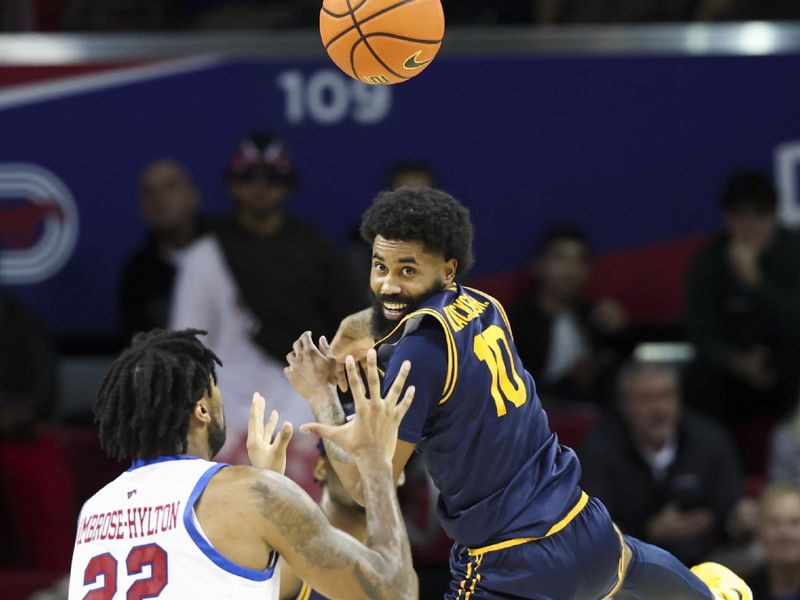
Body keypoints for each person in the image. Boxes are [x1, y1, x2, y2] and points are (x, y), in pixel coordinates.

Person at [286, 187, 752, 599]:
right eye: (379, 266)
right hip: (583, 527)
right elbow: (380, 321)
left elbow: (368, 489)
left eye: (407, 270)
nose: (388, 283)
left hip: (509, 565)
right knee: (632, 565)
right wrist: (348, 340)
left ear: (446, 270)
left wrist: (321, 393)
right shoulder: (482, 304)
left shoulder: (417, 358)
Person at [67, 328, 417, 600]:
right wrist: (374, 460)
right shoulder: (250, 495)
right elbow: (392, 590)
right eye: (215, 389)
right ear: (201, 410)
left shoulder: (94, 511)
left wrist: (264, 486)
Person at [170, 131, 357, 470]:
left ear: (287, 184)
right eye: (248, 178)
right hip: (224, 420)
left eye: (271, 178)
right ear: (231, 184)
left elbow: (347, 338)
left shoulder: (317, 251)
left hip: (302, 415)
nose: (260, 188)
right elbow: (185, 350)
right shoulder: (205, 256)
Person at [577, 359, 750, 565]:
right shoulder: (598, 448)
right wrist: (651, 530)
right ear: (624, 404)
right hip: (630, 562)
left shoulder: (710, 439)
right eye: (646, 398)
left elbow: (731, 503)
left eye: (666, 395)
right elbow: (593, 526)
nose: (659, 408)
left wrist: (732, 520)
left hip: (707, 560)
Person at [685, 170, 800, 427]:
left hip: (787, 369)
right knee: (700, 380)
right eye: (740, 216)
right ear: (726, 218)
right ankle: (716, 464)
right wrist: (738, 362)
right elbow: (701, 333)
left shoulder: (795, 252)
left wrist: (756, 282)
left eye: (759, 215)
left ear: (775, 215)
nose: (750, 227)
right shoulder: (708, 260)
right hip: (732, 370)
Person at [510, 225, 629, 404]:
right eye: (560, 259)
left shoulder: (597, 318)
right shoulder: (515, 325)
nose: (570, 271)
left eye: (579, 261)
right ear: (538, 265)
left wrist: (621, 333)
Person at [119, 159, 203, 338]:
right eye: (150, 193)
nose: (160, 199)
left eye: (171, 187)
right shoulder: (136, 273)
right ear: (142, 207)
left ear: (193, 196)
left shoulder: (226, 255)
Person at [279, 442, 368, 600]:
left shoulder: (396, 565)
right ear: (321, 468)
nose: (365, 470)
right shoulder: (292, 551)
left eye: (377, 460)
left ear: (399, 475)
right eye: (353, 457)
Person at [746, 483, 800, 599]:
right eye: (773, 523)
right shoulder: (741, 591)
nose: (784, 533)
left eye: (795, 522)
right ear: (759, 531)